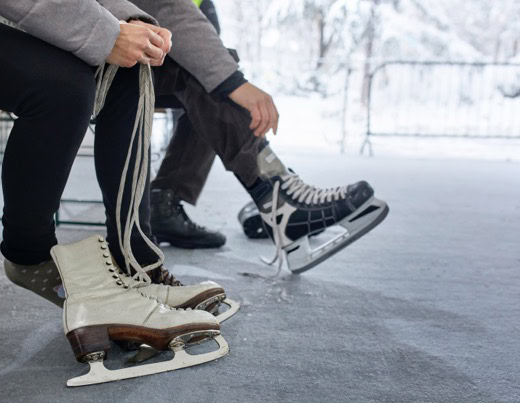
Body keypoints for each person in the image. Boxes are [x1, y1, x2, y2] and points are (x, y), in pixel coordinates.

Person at [0, 0, 234, 403]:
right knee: (60, 88)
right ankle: (29, 255)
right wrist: (106, 32)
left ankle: (135, 262)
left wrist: (129, 19)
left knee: (130, 62)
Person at [131, 0, 389, 272]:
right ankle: (279, 201)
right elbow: (164, 6)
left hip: (131, 47)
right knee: (207, 74)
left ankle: (167, 202)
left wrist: (224, 75)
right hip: (96, 52)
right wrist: (231, 82)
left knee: (207, 69)